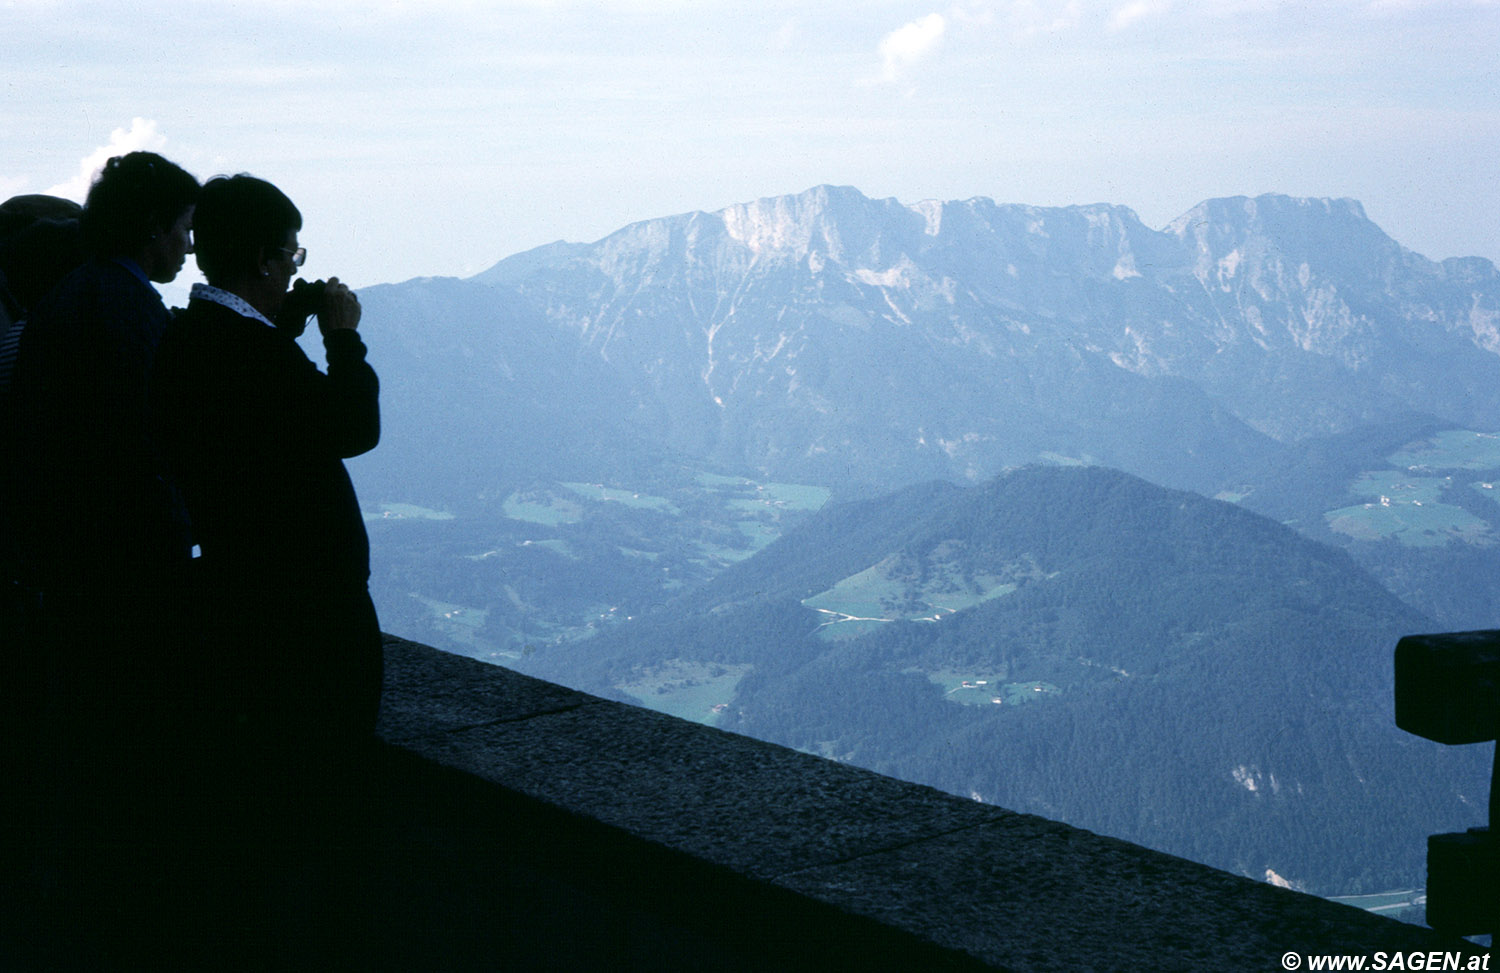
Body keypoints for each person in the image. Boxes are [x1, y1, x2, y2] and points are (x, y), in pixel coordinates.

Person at [151, 172, 382, 951]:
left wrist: (285, 321)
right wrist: (341, 334)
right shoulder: (248, 356)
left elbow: (254, 393)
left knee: (261, 805)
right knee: (317, 801)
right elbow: (349, 426)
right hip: (306, 615)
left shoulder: (189, 341)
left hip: (242, 596)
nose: (295, 266)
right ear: (260, 254)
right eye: (288, 253)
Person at [0, 154, 199, 966]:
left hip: (68, 579)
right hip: (126, 586)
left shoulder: (66, 301)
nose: (189, 246)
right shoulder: (126, 310)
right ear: (152, 227)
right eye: (183, 227)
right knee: (124, 774)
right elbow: (157, 450)